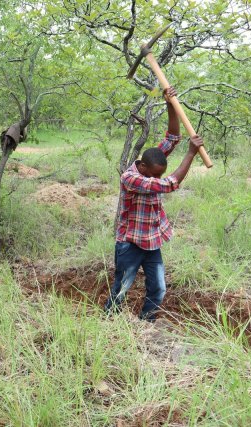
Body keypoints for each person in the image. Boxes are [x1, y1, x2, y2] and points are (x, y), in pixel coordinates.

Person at [104, 86, 204, 322]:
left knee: (158, 288)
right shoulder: (132, 178)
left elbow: (171, 138)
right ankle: (110, 323)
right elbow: (169, 184)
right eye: (154, 176)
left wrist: (170, 103)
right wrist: (190, 154)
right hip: (130, 243)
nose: (156, 179)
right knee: (121, 288)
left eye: (158, 175)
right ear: (142, 167)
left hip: (152, 241)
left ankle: (146, 323)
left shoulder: (152, 163)